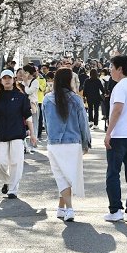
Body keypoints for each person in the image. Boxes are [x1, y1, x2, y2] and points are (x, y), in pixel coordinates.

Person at [43, 67, 90, 222]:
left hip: (54, 144)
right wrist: (86, 142)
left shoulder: (47, 99)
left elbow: (45, 123)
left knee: (61, 176)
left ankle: (61, 207)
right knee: (68, 176)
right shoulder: (76, 99)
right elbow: (83, 123)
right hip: (73, 143)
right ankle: (69, 209)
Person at [103, 54, 127, 222]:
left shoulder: (120, 87)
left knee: (113, 173)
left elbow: (117, 109)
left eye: (112, 67)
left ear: (120, 69)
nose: (111, 71)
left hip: (119, 136)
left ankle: (116, 210)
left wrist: (108, 133)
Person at [0, 70, 36, 198]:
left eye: (9, 78)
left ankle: (13, 189)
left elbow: (28, 116)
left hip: (17, 133)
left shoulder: (21, 97)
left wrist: (32, 134)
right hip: (0, 135)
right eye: (4, 78)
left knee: (16, 162)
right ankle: (7, 182)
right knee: (0, 162)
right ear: (0, 80)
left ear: (14, 80)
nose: (7, 80)